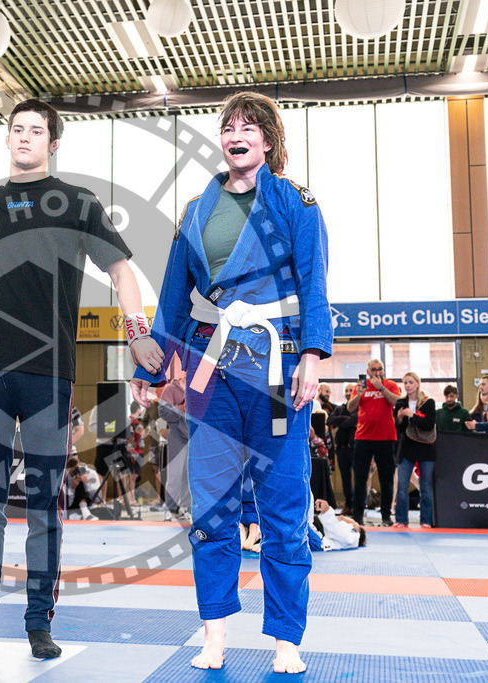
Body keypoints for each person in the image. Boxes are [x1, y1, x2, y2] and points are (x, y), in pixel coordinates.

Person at [0, 97, 161, 660]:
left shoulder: (78, 203)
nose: (24, 138)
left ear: (52, 143)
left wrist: (137, 330)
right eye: (17, 129)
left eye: (36, 131)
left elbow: (120, 270)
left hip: (48, 372)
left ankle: (39, 621)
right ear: (7, 138)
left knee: (44, 504)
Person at [131, 90, 331, 675]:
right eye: (226, 126)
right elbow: (172, 294)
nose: (234, 134)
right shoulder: (196, 208)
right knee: (212, 507)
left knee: (284, 507)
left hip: (277, 365)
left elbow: (315, 280)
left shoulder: (296, 202)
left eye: (247, 126)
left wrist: (313, 355)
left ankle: (287, 637)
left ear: (267, 139)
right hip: (210, 369)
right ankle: (214, 631)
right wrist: (149, 366)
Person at [347, 359, 400, 527]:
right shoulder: (361, 386)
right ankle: (358, 516)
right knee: (360, 478)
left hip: (386, 437)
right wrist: (359, 394)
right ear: (368, 371)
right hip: (363, 438)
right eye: (374, 369)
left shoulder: (390, 385)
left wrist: (381, 388)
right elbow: (350, 407)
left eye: (380, 369)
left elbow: (397, 402)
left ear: (383, 370)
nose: (377, 371)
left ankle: (386, 516)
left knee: (386, 479)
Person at [393, 372, 436, 529]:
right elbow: (400, 429)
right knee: (402, 485)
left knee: (425, 486)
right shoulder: (400, 402)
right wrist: (399, 419)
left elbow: (429, 424)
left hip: (426, 448)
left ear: (417, 383)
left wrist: (412, 415)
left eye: (410, 382)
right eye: (405, 382)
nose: (407, 385)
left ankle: (426, 520)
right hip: (407, 448)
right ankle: (401, 519)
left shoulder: (428, 402)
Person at [158, 376, 191, 521]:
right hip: (177, 437)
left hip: (193, 436)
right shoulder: (171, 389)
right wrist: (180, 410)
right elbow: (163, 411)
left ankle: (184, 508)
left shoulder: (196, 388)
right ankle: (169, 508)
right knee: (175, 475)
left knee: (188, 475)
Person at [326, 383, 357, 515]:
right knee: (345, 480)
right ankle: (348, 505)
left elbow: (354, 421)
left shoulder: (360, 408)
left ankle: (358, 507)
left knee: (359, 479)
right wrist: (345, 419)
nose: (349, 392)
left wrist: (342, 422)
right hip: (342, 449)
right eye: (347, 390)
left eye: (351, 390)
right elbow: (330, 420)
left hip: (356, 448)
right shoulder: (340, 408)